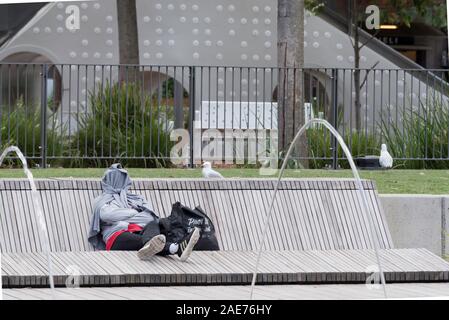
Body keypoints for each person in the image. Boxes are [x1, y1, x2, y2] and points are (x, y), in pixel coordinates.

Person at [88, 164, 200, 261]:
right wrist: (135, 212)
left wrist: (121, 216)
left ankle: (171, 247)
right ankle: (176, 248)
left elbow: (148, 218)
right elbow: (107, 215)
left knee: (154, 224)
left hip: (141, 231)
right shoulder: (102, 200)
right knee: (149, 241)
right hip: (117, 236)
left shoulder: (134, 198)